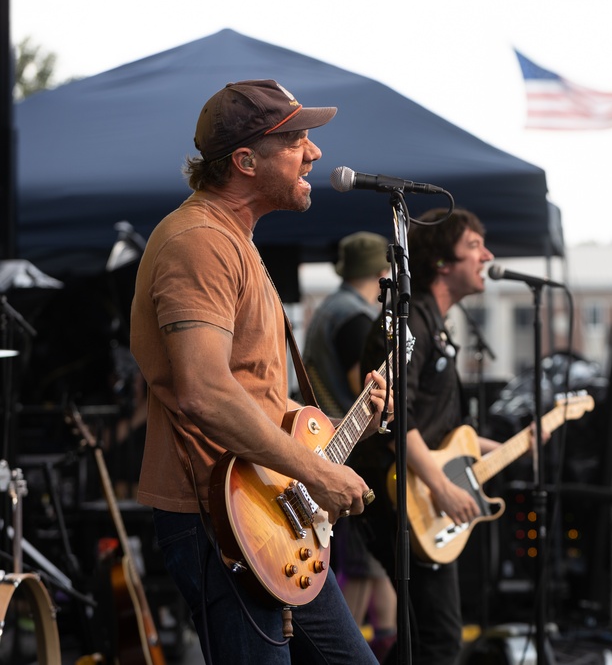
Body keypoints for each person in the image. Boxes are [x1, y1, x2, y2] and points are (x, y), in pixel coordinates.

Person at [129, 79, 391, 665]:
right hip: (219, 520)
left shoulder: (235, 242)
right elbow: (204, 391)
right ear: (245, 161)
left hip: (271, 515)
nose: (315, 152)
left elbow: (255, 399)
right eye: (296, 138)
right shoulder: (201, 241)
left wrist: (354, 424)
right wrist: (317, 476)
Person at [353, 207, 502, 665]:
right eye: (474, 245)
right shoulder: (410, 322)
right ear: (441, 261)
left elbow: (439, 430)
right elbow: (399, 415)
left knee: (425, 639)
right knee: (437, 638)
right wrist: (441, 485)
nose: (487, 255)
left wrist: (509, 446)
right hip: (404, 496)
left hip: (418, 491)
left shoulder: (433, 325)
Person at [302, 231, 397, 661]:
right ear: (382, 275)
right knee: (359, 568)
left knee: (369, 568)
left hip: (324, 443)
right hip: (345, 451)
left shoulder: (328, 310)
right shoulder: (356, 319)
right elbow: (368, 391)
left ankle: (380, 643)